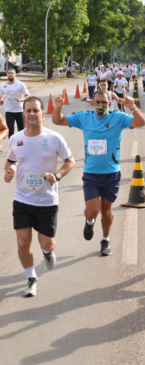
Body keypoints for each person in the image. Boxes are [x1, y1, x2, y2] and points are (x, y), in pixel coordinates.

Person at [52, 90, 145, 256]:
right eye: (98, 102)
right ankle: (89, 221)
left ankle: (105, 239)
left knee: (106, 210)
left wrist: (133, 108)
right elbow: (57, 120)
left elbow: (140, 122)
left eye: (104, 102)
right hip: (91, 174)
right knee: (93, 210)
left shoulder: (117, 117)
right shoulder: (84, 117)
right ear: (92, 102)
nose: (101, 105)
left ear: (109, 103)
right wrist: (58, 107)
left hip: (111, 173)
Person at [4, 96, 75, 297]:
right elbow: (11, 162)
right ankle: (31, 277)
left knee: (47, 243)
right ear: (23, 114)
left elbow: (70, 161)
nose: (32, 114)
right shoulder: (15, 139)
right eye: (29, 111)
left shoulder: (54, 138)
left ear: (43, 114)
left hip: (47, 201)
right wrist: (8, 171)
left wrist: (57, 175)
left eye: (36, 111)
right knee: (22, 242)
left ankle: (47, 253)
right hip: (23, 199)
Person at [0, 69, 30, 138]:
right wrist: (1, 100)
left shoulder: (20, 84)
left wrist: (21, 100)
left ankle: (22, 146)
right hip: (9, 111)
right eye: (9, 73)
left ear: (15, 75)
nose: (10, 74)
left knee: (21, 130)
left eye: (12, 73)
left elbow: (27, 96)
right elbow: (0, 96)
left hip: (19, 110)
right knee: (10, 131)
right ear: (7, 75)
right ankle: (12, 147)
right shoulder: (3, 85)